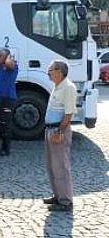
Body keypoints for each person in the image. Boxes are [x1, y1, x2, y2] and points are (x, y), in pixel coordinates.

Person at [43, 60, 76, 211]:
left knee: (61, 166)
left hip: (58, 131)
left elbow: (69, 113)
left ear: (59, 72)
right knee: (52, 165)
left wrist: (60, 131)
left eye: (50, 70)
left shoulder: (68, 87)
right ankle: (58, 195)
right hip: (50, 129)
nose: (48, 73)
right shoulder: (58, 85)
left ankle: (65, 201)